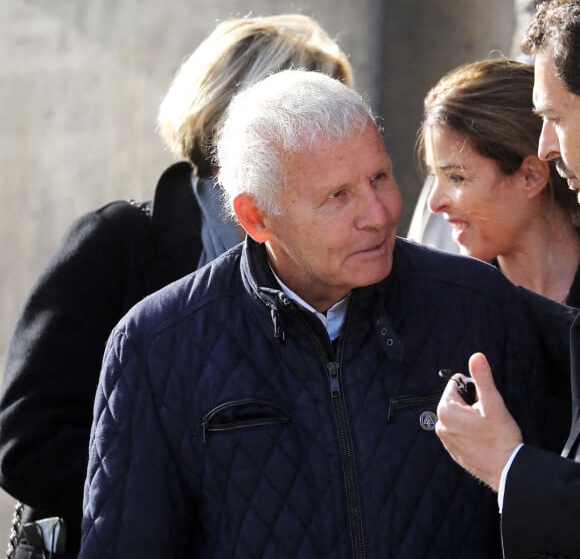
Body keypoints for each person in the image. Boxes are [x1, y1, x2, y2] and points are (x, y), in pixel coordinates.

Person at [79, 69, 574, 558]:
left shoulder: (480, 305)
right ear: (256, 216)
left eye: (380, 177)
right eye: (338, 196)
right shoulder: (154, 344)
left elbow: (549, 519)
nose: (378, 214)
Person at [0, 15, 353, 558]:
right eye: (317, 114)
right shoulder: (117, 245)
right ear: (243, 118)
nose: (339, 136)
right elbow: (27, 442)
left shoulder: (344, 257)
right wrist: (181, 499)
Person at [435, 0, 580, 556]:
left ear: (528, 180)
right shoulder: (441, 308)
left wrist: (509, 465)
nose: (546, 144)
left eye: (555, 117)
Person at [417, 57, 580, 306]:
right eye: (434, 177)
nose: (434, 203)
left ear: (531, 176)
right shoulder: (445, 313)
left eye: (455, 177)